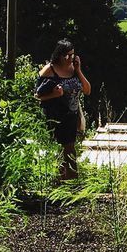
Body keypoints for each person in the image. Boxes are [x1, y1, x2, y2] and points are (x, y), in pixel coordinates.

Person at [35, 38, 91, 180]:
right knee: (65, 151)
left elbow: (87, 90)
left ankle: (67, 183)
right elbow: (37, 96)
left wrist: (78, 70)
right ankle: (67, 183)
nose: (71, 58)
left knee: (69, 151)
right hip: (55, 117)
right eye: (67, 55)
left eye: (73, 55)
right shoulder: (49, 70)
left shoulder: (74, 69)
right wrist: (54, 94)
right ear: (59, 55)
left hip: (72, 116)